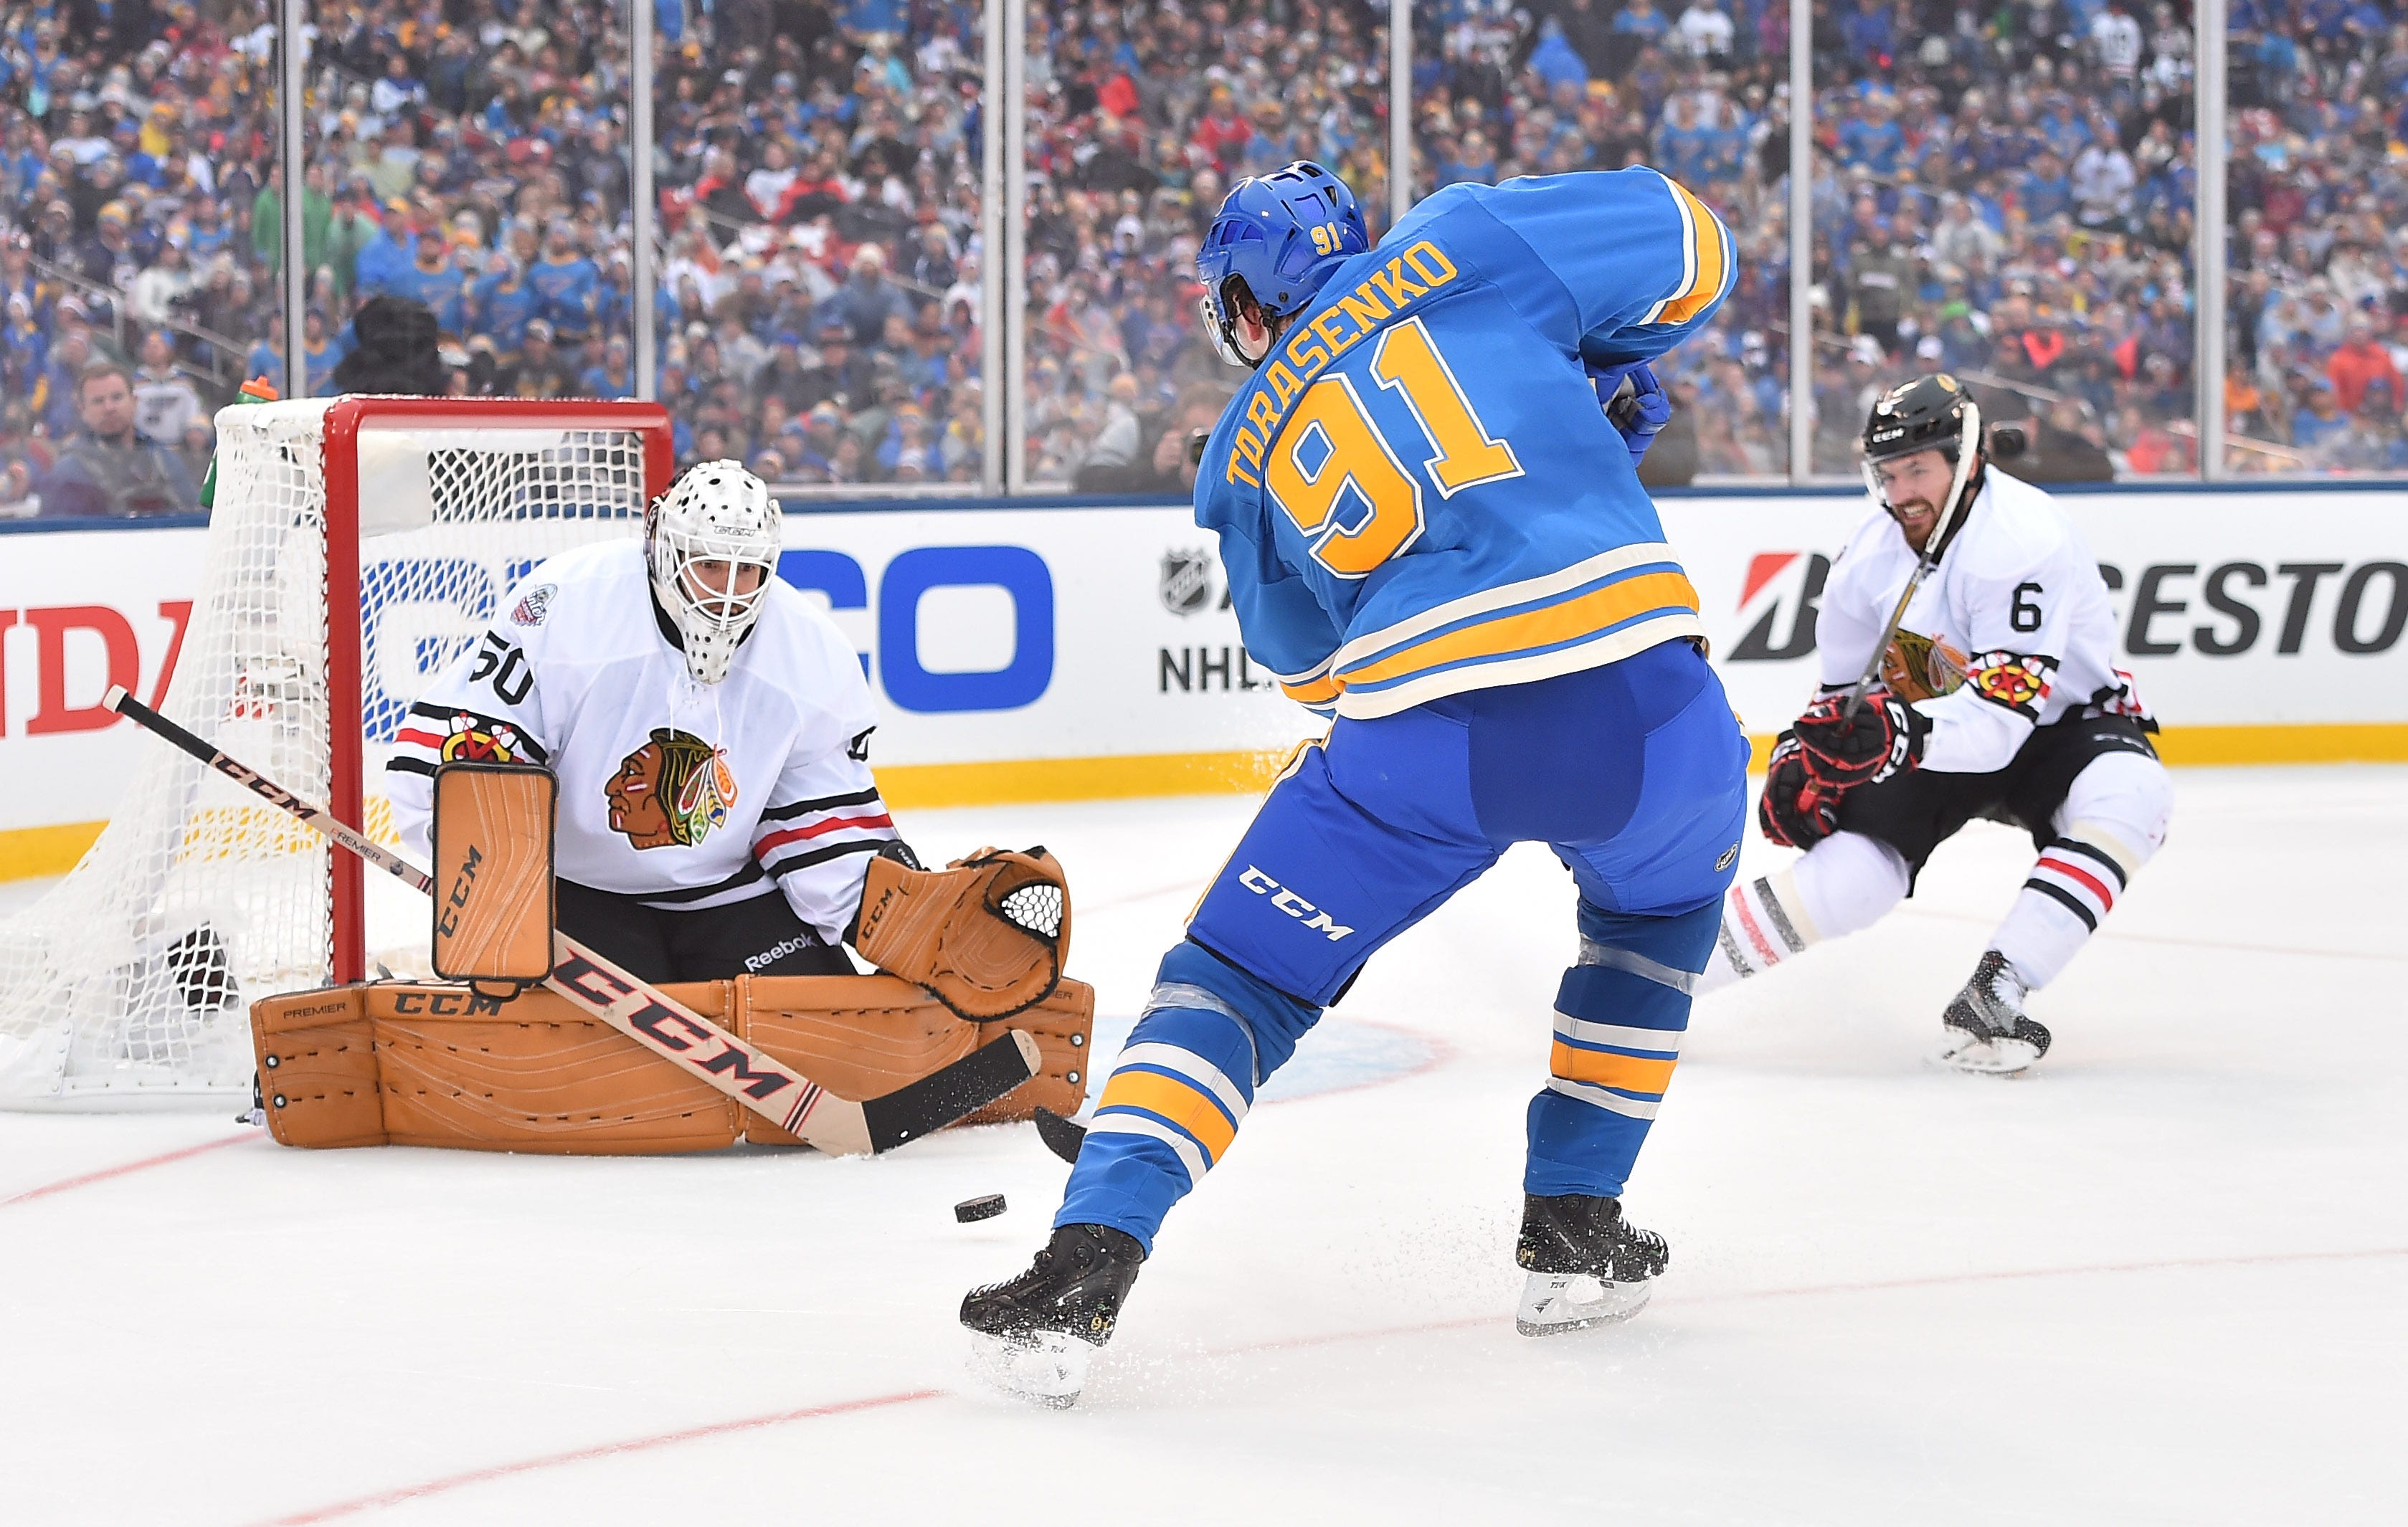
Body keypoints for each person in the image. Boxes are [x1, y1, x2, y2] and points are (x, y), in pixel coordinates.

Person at [960, 161, 1748, 1403]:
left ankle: (1085, 1260)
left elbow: (1317, 673)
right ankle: (1575, 1230)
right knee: (1653, 921)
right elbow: (1696, 247)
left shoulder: (1235, 454)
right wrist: (1587, 356)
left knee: (1235, 980)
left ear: (1240, 301)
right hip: (1651, 711)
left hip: (1423, 740)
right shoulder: (1461, 236)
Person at [1697, 376, 2172, 1075]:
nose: (1900, 493)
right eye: (1888, 474)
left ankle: (1996, 990)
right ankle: (1660, 977)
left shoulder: (2022, 541)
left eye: (1917, 469)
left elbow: (2004, 724)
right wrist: (1810, 745)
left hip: (2054, 725)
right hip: (1928, 722)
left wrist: (1896, 734)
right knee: (1856, 878)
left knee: (2132, 797)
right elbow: (1840, 691)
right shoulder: (1867, 556)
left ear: (1969, 457)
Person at [384, 462, 905, 984]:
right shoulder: (569, 606)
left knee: (831, 1027)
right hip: (572, 889)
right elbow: (458, 755)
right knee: (600, 1057)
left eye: (745, 570)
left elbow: (817, 818)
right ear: (662, 544)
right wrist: (500, 885)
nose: (727, 593)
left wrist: (903, 922)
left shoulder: (810, 652)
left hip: (728, 890)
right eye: (707, 564)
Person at [38, 361, 198, 518]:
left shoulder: (166, 462)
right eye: (98, 401)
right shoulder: (68, 473)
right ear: (82, 411)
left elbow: (193, 518)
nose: (109, 408)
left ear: (135, 402)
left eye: (117, 398)